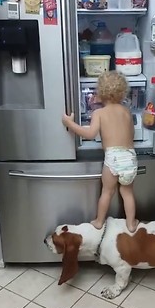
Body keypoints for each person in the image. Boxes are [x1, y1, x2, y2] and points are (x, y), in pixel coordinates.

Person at [62, 71, 140, 233]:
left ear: (100, 93)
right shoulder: (127, 111)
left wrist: (70, 123)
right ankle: (131, 224)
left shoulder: (99, 113)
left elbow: (90, 134)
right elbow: (130, 134)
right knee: (127, 193)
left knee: (107, 191)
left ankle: (99, 221)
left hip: (113, 157)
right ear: (122, 92)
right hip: (130, 157)